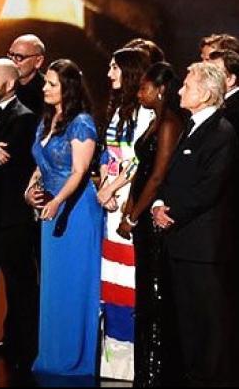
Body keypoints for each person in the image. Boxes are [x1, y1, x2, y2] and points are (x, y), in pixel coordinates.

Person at [152, 62, 237, 385]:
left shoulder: (221, 133)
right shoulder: (191, 126)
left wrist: (170, 212)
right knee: (188, 318)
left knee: (209, 320)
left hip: (203, 245)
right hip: (182, 240)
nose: (179, 91)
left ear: (203, 93)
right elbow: (171, 176)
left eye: (186, 86)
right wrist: (159, 203)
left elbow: (209, 187)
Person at [27, 59, 102, 377]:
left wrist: (57, 200)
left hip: (76, 212)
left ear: (68, 88)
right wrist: (30, 189)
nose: (44, 88)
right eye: (46, 83)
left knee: (74, 283)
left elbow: (80, 170)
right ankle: (52, 354)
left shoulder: (81, 122)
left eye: (51, 84)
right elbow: (40, 162)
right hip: (49, 211)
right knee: (53, 285)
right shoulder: (47, 120)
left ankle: (74, 356)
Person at [116, 62, 184, 387]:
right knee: (145, 292)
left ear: (160, 89)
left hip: (153, 221)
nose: (139, 93)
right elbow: (140, 172)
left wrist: (132, 215)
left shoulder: (170, 123)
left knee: (156, 295)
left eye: (144, 87)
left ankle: (157, 373)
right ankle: (145, 370)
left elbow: (157, 177)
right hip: (140, 215)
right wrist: (128, 210)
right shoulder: (156, 122)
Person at [0, 59, 40, 372]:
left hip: (11, 215)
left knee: (20, 285)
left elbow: (9, 159)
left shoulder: (24, 118)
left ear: (9, 83)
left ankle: (23, 347)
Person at [97, 47, 153, 380]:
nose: (109, 74)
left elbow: (137, 161)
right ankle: (112, 359)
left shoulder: (145, 113)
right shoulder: (119, 110)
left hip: (127, 203)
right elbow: (110, 153)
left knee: (127, 278)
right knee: (112, 279)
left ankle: (131, 361)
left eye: (115, 68)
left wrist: (112, 187)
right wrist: (104, 184)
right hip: (110, 202)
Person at [7, 34, 47, 115]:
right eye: (11, 55)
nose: (12, 61)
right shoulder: (2, 83)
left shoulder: (47, 92)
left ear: (38, 61)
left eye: (19, 57)